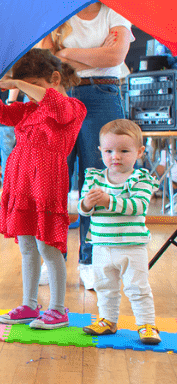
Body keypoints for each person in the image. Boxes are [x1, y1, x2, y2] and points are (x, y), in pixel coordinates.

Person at [0, 48, 85, 330]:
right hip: (21, 178)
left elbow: (57, 107)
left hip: (47, 178)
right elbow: (3, 113)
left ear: (54, 78)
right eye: (25, 89)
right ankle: (29, 304)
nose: (28, 94)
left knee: (47, 245)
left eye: (33, 86)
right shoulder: (29, 107)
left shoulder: (72, 107)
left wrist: (16, 83)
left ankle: (58, 308)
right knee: (27, 245)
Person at [39, 1, 134, 289]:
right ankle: (52, 259)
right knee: (55, 177)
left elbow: (116, 54)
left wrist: (65, 55)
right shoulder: (57, 13)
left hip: (103, 93)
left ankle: (90, 260)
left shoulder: (113, 12)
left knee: (98, 179)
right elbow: (45, 63)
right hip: (62, 96)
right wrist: (94, 57)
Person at [78, 119, 161, 345]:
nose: (115, 156)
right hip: (101, 245)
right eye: (109, 150)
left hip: (132, 247)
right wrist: (86, 203)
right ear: (101, 151)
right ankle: (107, 320)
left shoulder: (141, 178)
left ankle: (146, 324)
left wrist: (108, 201)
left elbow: (138, 206)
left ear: (139, 152)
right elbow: (84, 211)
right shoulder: (94, 177)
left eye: (124, 151)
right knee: (104, 286)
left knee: (137, 287)